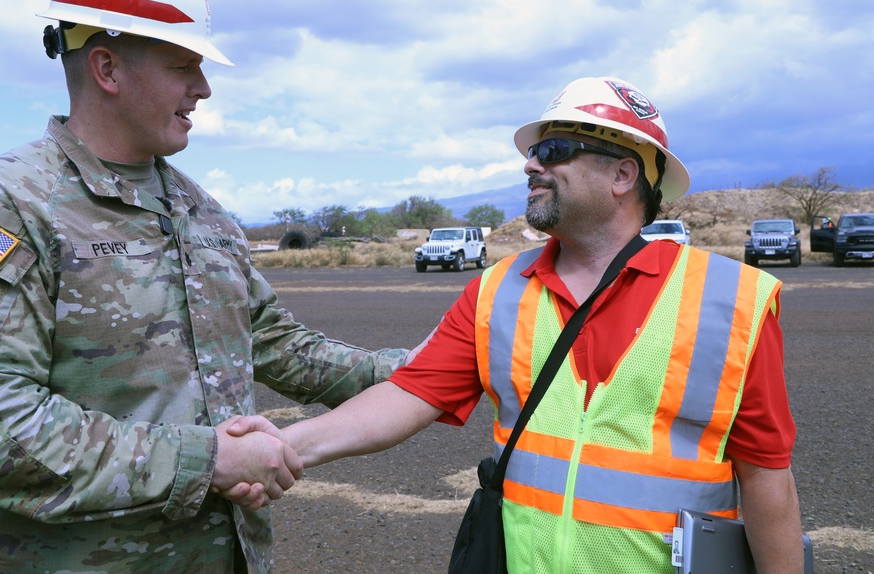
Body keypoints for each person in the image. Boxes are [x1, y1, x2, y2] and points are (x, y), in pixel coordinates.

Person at [0, 0, 409, 574]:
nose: (203, 89)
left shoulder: (200, 210)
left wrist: (426, 366)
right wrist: (210, 459)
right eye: (182, 66)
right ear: (107, 69)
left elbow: (276, 346)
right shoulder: (3, 210)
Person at [233, 76, 804, 573]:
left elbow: (766, 481)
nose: (531, 164)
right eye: (532, 152)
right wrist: (282, 446)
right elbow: (406, 396)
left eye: (554, 150)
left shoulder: (733, 302)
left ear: (624, 174)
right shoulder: (497, 290)